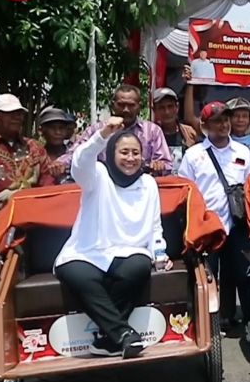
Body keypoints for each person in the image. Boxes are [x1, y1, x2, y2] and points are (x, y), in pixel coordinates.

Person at [54, 116, 170, 358]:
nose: (130, 158)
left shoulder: (148, 183)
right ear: (110, 153)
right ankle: (123, 334)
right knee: (77, 273)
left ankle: (109, 338)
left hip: (129, 251)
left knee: (139, 266)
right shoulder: (96, 174)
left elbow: (154, 226)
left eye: (136, 153)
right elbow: (80, 161)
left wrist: (160, 253)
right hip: (88, 251)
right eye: (124, 152)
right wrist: (102, 135)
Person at [179, 102, 250, 332]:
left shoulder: (243, 151)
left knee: (244, 274)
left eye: (226, 119)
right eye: (217, 120)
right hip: (207, 226)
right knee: (208, 277)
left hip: (237, 224)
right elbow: (186, 192)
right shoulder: (193, 155)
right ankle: (207, 326)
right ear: (204, 125)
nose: (224, 125)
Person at [59, 84, 172, 174]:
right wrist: (61, 163)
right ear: (113, 106)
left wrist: (159, 165)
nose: (126, 110)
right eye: (121, 105)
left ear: (139, 107)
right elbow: (76, 154)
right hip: (104, 189)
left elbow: (166, 164)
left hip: (139, 190)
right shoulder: (97, 130)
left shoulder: (152, 131)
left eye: (131, 105)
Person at [0, 94, 54, 211]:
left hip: (32, 217)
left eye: (19, 113)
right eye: (10, 113)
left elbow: (48, 183)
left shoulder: (34, 147)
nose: (17, 117)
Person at [153, 87, 200, 175]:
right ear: (155, 110)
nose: (167, 112)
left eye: (170, 106)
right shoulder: (150, 135)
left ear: (177, 107)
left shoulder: (190, 133)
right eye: (161, 108)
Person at [38, 107, 76, 184]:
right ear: (42, 131)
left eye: (61, 128)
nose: (57, 132)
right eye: (52, 128)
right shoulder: (36, 157)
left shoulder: (74, 155)